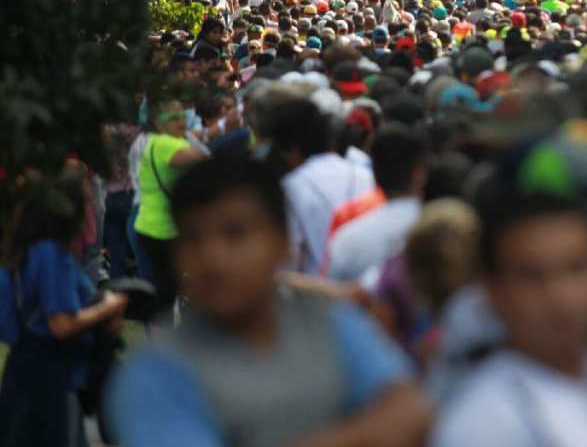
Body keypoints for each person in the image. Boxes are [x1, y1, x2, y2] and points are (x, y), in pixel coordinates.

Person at [107, 157, 432, 447]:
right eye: (193, 238)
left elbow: (410, 413)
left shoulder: (328, 323)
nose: (212, 258)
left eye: (235, 233)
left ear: (284, 242)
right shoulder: (157, 372)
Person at [430, 173, 587, 447]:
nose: (561, 297)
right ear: (493, 292)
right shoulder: (486, 426)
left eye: (577, 268)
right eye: (533, 276)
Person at [0, 171, 129, 447]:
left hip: (31, 373)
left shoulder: (33, 246)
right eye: (84, 201)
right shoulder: (50, 254)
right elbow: (61, 324)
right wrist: (108, 307)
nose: (90, 207)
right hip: (48, 377)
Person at [269, 99, 375, 274]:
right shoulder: (366, 174)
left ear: (291, 149)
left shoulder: (292, 186)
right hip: (371, 289)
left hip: (317, 292)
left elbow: (290, 259)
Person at [328, 125, 429, 287]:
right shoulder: (446, 232)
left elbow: (327, 299)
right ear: (419, 173)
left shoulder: (347, 239)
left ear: (374, 173)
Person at [133, 99, 206, 310]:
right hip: (161, 230)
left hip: (152, 225)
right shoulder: (166, 143)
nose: (181, 121)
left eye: (183, 115)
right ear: (158, 123)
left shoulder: (162, 141)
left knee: (167, 291)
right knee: (167, 294)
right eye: (173, 118)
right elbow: (199, 158)